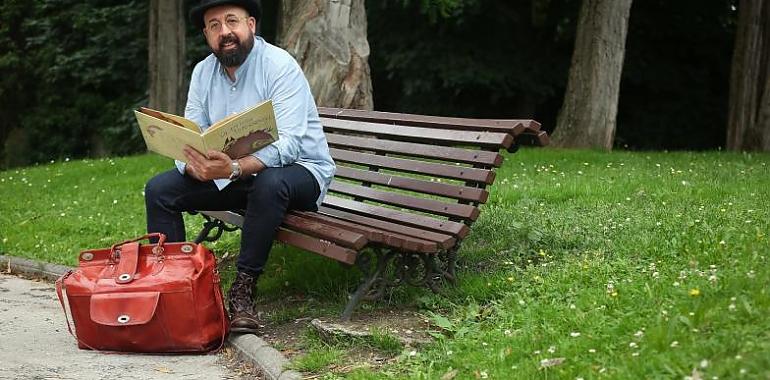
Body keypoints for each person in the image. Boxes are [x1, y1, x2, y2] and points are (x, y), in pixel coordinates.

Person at [144, 0, 335, 334]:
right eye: (214, 25)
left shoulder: (279, 65)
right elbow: (189, 135)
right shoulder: (203, 72)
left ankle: (243, 291)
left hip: (301, 172)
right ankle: (175, 291)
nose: (225, 32)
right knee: (160, 190)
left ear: (251, 25)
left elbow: (289, 144)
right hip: (235, 175)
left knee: (271, 183)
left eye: (231, 21)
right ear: (206, 34)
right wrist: (193, 167)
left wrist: (233, 168)